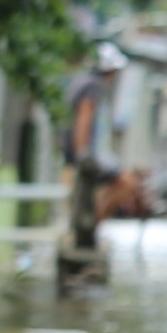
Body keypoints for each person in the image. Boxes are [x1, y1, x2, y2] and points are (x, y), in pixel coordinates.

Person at [63, 43, 127, 253]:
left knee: (86, 197)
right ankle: (89, 228)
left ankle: (88, 228)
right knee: (126, 183)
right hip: (86, 154)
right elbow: (84, 117)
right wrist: (83, 154)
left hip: (82, 153)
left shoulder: (85, 83)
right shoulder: (93, 86)